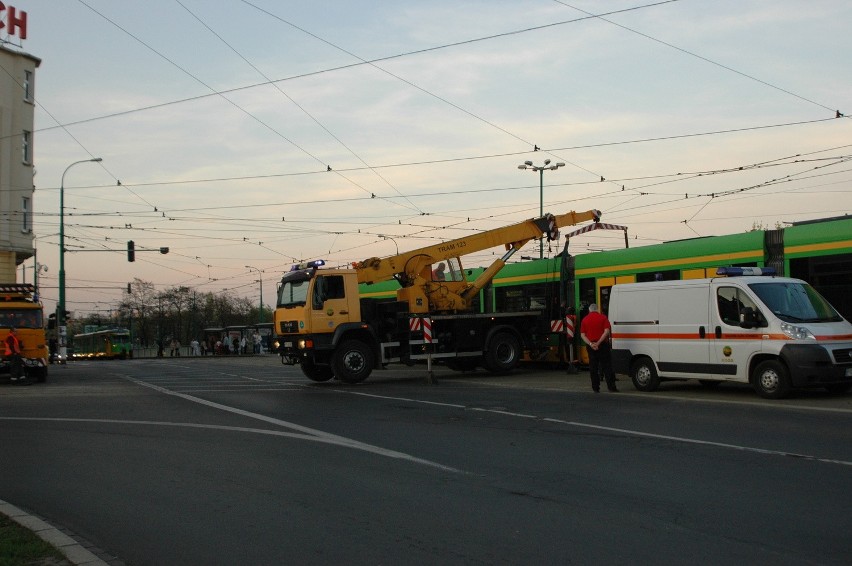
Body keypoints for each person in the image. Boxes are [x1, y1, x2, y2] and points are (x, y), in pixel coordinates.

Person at [579, 303, 618, 393]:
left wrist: (591, 343)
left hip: (591, 346)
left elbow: (582, 335)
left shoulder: (585, 320)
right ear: (597, 309)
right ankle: (611, 387)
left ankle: (595, 387)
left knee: (593, 367)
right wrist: (599, 342)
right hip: (603, 345)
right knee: (607, 366)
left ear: (589, 310)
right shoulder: (603, 318)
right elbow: (607, 331)